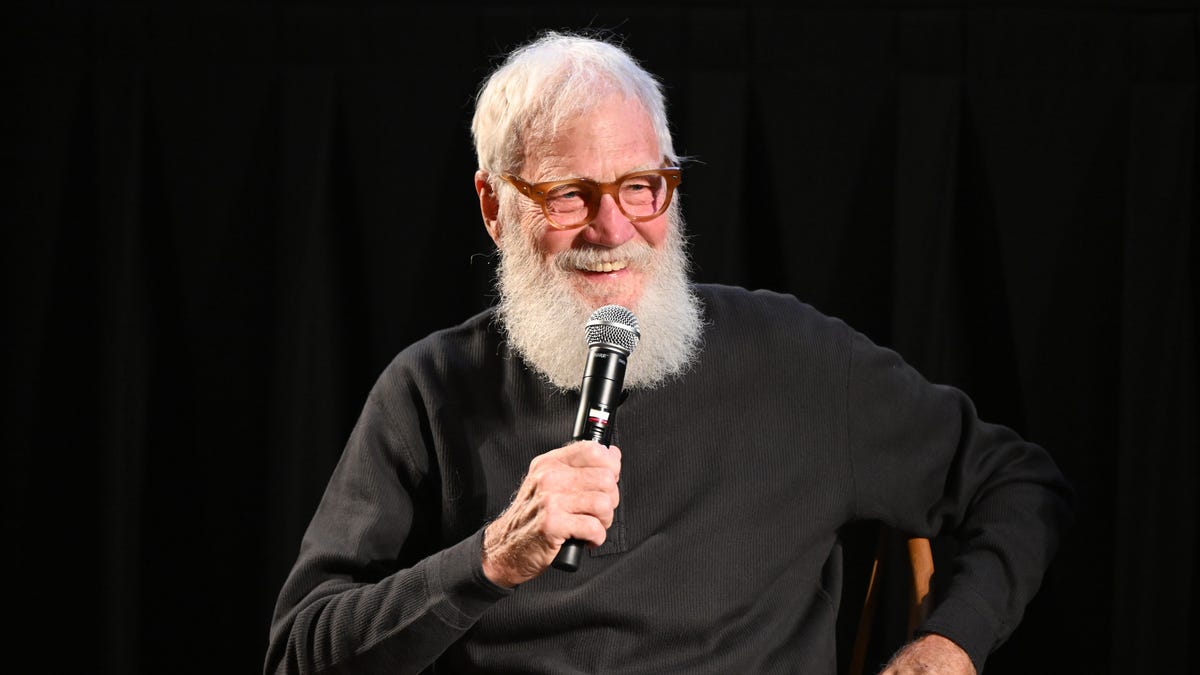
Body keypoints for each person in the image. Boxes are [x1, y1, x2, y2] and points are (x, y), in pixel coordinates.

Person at [265, 31, 1072, 675]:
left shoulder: (794, 357)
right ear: (494, 205)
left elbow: (1016, 482)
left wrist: (951, 641)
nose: (613, 229)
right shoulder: (429, 390)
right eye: (570, 195)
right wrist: (491, 557)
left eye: (641, 186)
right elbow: (301, 651)